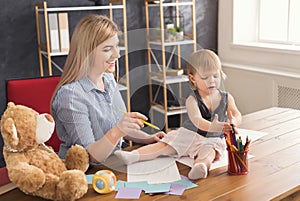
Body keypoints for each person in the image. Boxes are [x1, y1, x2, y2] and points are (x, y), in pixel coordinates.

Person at [51, 14, 165, 164]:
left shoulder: (108, 80)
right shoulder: (70, 96)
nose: (117, 55)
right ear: (87, 53)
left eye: (116, 46)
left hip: (112, 163)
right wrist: (118, 130)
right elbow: (90, 156)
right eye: (107, 49)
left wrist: (149, 138)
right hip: (81, 174)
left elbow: (117, 125)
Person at [114, 49, 242, 180]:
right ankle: (134, 155)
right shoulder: (192, 99)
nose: (212, 81)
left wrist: (233, 122)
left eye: (216, 76)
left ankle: (200, 166)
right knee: (164, 146)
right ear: (193, 79)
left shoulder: (227, 98)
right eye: (205, 77)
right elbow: (197, 120)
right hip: (190, 134)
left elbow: (236, 114)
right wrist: (213, 126)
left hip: (211, 138)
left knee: (209, 153)